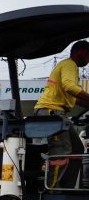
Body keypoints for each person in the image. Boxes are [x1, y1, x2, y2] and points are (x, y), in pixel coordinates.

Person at [34, 40, 89, 188]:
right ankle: (52, 189)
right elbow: (69, 87)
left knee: (77, 149)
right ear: (82, 52)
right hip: (51, 112)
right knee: (61, 150)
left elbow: (74, 96)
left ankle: (66, 187)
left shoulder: (70, 68)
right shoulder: (69, 64)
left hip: (57, 114)